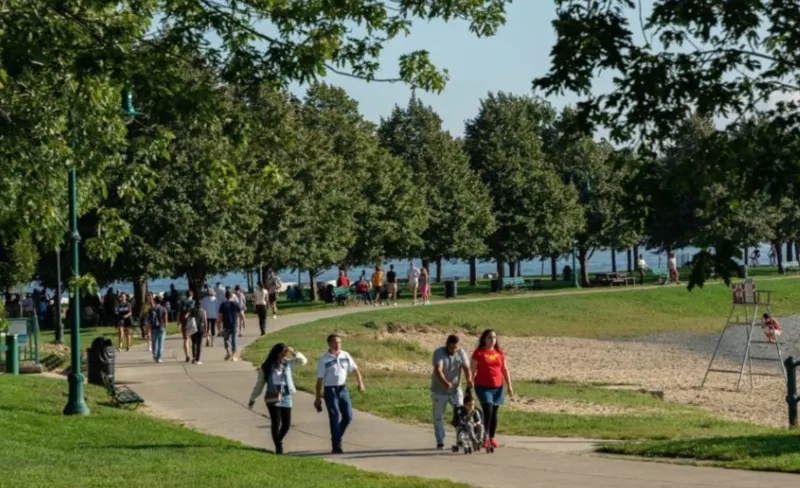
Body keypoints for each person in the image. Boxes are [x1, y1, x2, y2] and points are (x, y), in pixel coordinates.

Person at [248, 343, 308, 454]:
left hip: (286, 395)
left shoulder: (287, 363)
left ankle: (278, 439)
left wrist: (294, 351)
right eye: (283, 352)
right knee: (276, 422)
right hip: (273, 396)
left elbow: (303, 361)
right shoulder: (266, 367)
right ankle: (278, 447)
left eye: (286, 352)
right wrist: (253, 398)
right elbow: (260, 384)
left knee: (286, 424)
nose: (285, 354)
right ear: (277, 352)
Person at [314, 334, 365, 454]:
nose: (337, 345)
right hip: (330, 390)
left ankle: (336, 436)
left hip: (343, 389)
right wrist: (317, 398)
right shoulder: (324, 359)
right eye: (334, 342)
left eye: (339, 342)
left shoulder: (345, 355)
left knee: (348, 416)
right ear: (329, 344)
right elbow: (319, 380)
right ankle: (336, 445)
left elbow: (356, 369)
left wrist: (360, 383)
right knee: (335, 415)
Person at [471, 329, 514, 450]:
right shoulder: (479, 353)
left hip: (498, 387)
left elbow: (504, 369)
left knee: (494, 412)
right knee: (488, 409)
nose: (492, 340)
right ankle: (484, 437)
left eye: (494, 337)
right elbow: (472, 370)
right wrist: (470, 383)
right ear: (484, 339)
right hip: (483, 387)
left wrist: (509, 385)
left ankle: (491, 437)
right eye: (489, 337)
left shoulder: (499, 353)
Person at [431, 334, 472, 450]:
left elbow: (466, 368)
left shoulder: (461, 353)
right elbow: (438, 369)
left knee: (461, 414)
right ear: (447, 344)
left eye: (456, 347)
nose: (454, 350)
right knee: (438, 416)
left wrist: (469, 380)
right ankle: (440, 441)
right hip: (439, 391)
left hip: (455, 390)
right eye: (451, 347)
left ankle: (461, 439)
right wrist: (445, 383)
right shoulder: (439, 353)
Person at [218, 289, 244, 361]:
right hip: (234, 324)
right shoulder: (236, 304)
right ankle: (233, 356)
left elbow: (220, 316)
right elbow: (241, 314)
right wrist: (243, 321)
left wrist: (219, 324)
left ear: (225, 296)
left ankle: (228, 352)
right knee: (234, 340)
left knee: (226, 339)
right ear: (232, 296)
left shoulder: (223, 304)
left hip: (226, 325)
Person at [147, 296, 170, 363]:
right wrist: (166, 327)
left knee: (154, 342)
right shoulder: (163, 309)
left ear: (155, 301)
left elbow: (149, 319)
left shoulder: (150, 309)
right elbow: (166, 320)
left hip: (153, 327)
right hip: (161, 327)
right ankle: (159, 357)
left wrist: (148, 329)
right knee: (161, 343)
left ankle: (154, 355)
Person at [180, 290, 196, 363]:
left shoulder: (182, 302)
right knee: (194, 340)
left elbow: (179, 312)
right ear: (192, 295)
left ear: (186, 295)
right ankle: (194, 356)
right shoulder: (193, 302)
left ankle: (187, 355)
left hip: (184, 322)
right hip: (192, 321)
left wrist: (178, 321)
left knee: (185, 339)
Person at [189, 300, 207, 364]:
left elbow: (189, 318)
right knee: (199, 344)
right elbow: (205, 321)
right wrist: (206, 330)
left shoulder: (192, 310)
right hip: (201, 328)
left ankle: (194, 357)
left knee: (194, 343)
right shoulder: (203, 311)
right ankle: (198, 359)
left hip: (193, 328)